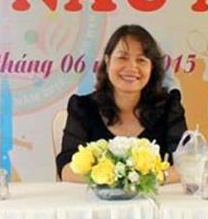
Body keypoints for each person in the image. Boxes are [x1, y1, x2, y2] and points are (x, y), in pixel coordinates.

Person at [57, 24, 187, 182]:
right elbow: (67, 168)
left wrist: (138, 181)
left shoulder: (169, 107)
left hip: (155, 198)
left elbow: (186, 165)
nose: (132, 67)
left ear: (152, 67)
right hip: (96, 198)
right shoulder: (82, 107)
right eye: (122, 57)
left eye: (141, 60)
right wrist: (120, 180)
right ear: (107, 61)